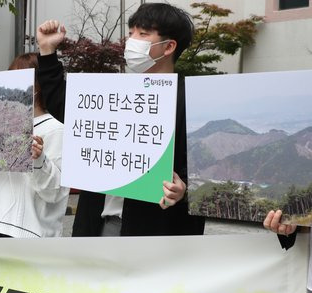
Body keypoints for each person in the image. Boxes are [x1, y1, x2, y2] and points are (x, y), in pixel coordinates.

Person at [36, 3, 205, 237]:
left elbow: (204, 170)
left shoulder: (191, 101)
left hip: (152, 234)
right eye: (131, 32)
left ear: (169, 47)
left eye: (143, 34)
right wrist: (47, 51)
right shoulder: (113, 93)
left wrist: (184, 189)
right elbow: (61, 106)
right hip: (95, 226)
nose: (131, 40)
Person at [0, 53, 69, 238]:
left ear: (37, 85)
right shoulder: (2, 126)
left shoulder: (56, 129)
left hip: (33, 233)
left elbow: (56, 192)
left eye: (19, 77)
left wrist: (39, 160)